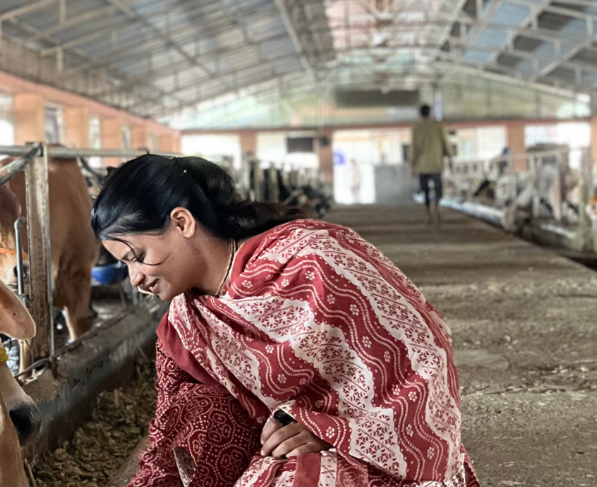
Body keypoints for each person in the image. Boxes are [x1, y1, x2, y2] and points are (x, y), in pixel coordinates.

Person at [94, 155, 478, 487]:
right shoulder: (185, 322)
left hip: (366, 448)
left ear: (182, 223)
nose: (135, 278)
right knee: (196, 408)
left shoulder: (316, 259)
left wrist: (333, 432)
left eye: (137, 256)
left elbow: (424, 354)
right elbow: (166, 434)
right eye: (124, 264)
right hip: (273, 448)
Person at [411, 104, 454, 226]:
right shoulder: (438, 127)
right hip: (436, 164)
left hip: (423, 166)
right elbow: (446, 143)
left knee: (425, 191)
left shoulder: (417, 129)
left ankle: (428, 214)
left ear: (420, 114)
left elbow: (413, 148)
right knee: (438, 189)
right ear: (430, 113)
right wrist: (450, 158)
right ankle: (437, 208)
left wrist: (413, 165)